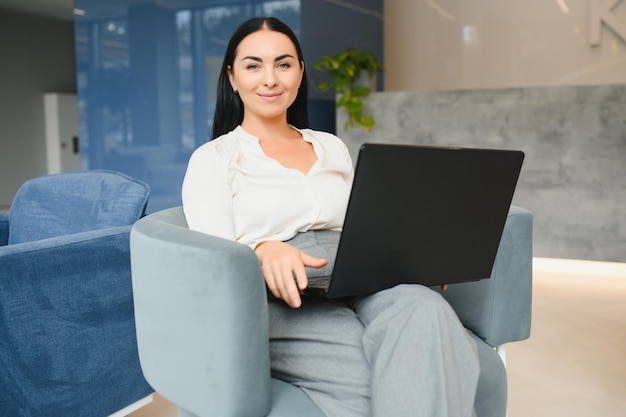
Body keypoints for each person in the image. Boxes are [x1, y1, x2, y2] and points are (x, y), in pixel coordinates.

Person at [182, 17, 480, 417]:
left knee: (427, 310)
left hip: (357, 277)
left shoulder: (331, 146)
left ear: (300, 73)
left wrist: (416, 256)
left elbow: (364, 224)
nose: (270, 79)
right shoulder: (214, 159)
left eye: (283, 64)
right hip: (277, 298)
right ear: (233, 77)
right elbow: (212, 263)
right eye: (254, 66)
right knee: (396, 370)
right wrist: (261, 250)